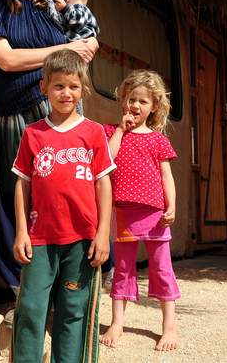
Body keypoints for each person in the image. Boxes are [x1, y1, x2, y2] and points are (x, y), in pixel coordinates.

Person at [0, 0, 99, 288]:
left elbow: (77, 46)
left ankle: (66, 283)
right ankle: (23, 288)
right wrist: (64, 52)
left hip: (57, 116)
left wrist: (85, 45)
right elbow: (7, 60)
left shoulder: (48, 10)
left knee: (63, 198)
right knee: (17, 199)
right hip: (17, 117)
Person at [10, 49, 114, 363]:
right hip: (40, 238)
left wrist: (103, 234)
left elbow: (103, 184)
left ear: (83, 89)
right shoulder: (33, 134)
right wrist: (21, 232)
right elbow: (22, 184)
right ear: (44, 86)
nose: (66, 93)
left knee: (73, 309)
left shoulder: (94, 133)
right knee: (31, 307)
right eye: (58, 86)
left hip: (82, 240)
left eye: (73, 86)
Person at [99, 69, 180, 352]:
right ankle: (117, 322)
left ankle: (169, 325)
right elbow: (106, 160)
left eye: (143, 101)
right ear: (123, 100)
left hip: (156, 214)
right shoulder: (112, 132)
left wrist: (172, 206)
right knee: (122, 269)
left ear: (154, 106)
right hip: (125, 212)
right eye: (131, 99)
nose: (135, 105)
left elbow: (167, 177)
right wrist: (121, 130)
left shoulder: (158, 139)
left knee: (162, 268)